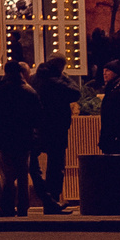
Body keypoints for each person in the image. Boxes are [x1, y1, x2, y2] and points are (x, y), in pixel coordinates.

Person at [0, 60, 39, 216]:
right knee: (23, 173)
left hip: (3, 137)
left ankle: (8, 206)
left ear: (5, 72)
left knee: (7, 174)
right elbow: (38, 116)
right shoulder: (29, 92)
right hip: (24, 137)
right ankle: (23, 207)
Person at [30, 54, 79, 213]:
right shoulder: (57, 82)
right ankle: (53, 200)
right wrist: (65, 77)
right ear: (60, 67)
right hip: (56, 129)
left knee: (33, 164)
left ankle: (46, 198)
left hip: (37, 127)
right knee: (56, 166)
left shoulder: (35, 79)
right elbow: (76, 92)